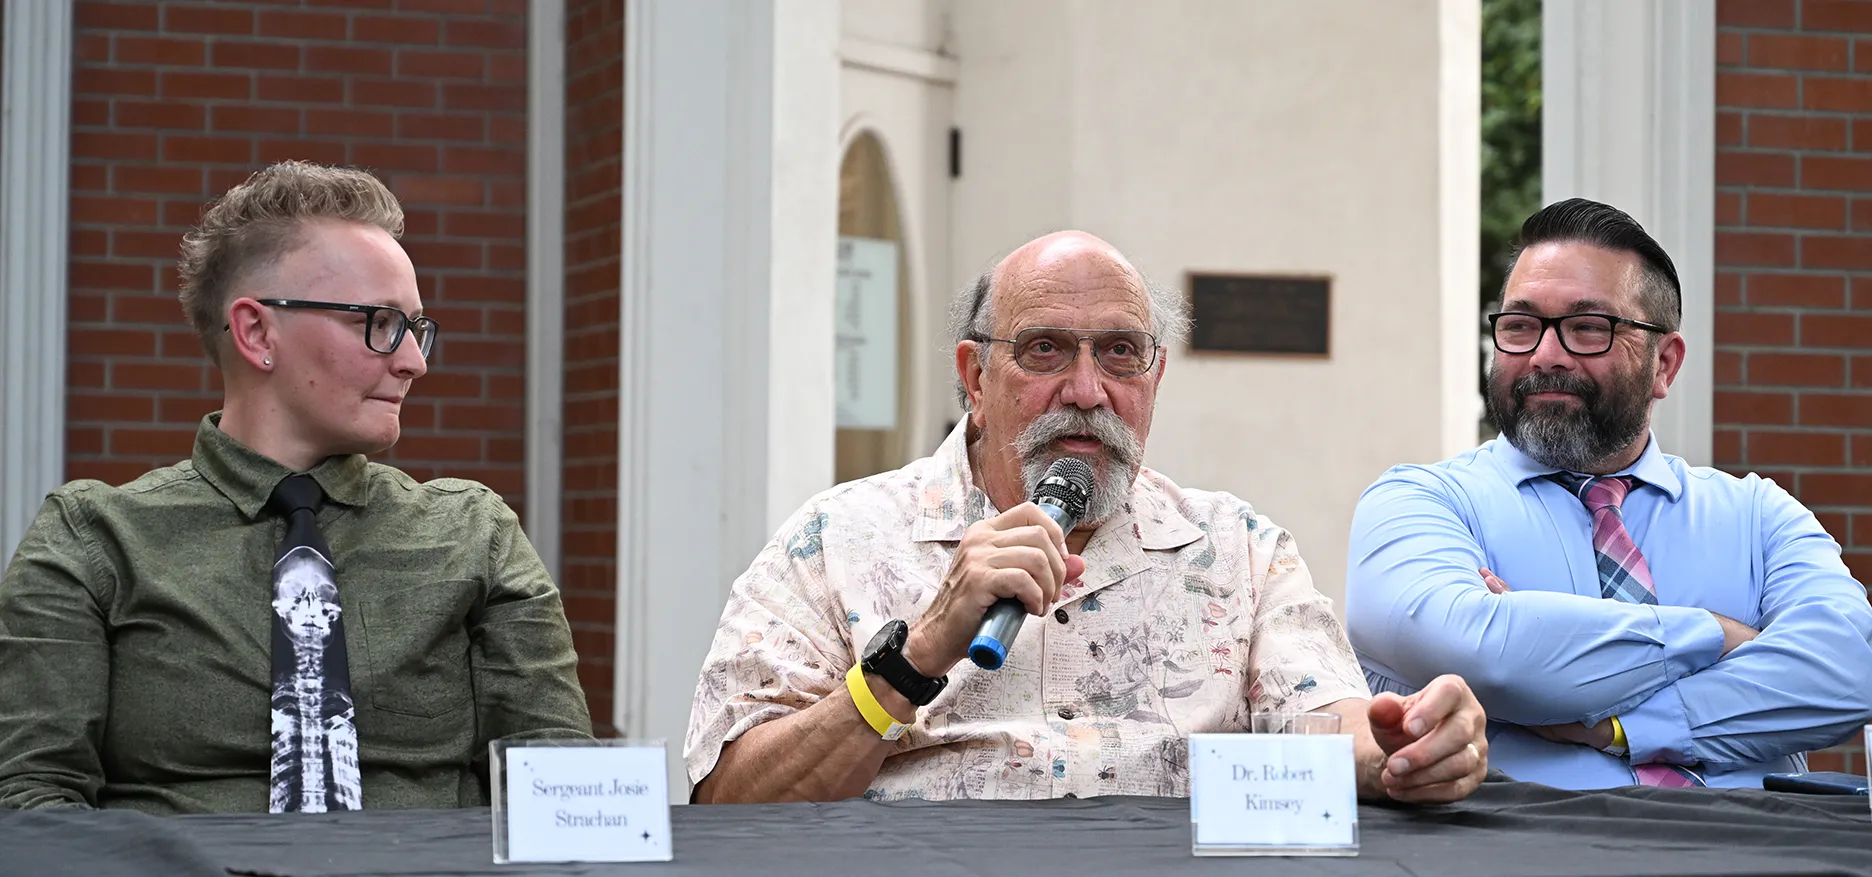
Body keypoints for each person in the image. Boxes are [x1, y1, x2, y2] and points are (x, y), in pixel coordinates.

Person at [684, 231, 1489, 804]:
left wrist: (1400, 746)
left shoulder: (1238, 549)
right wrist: (920, 651)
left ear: (1155, 375)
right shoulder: (835, 540)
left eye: (1118, 352)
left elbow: (1324, 716)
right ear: (974, 374)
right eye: (1043, 350)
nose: (1086, 388)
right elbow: (729, 798)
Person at [0, 161, 593, 814]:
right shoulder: (95, 540)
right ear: (257, 331)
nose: (413, 361)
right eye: (379, 322)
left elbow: (562, 799)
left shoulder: (473, 533)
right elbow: (30, 803)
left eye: (415, 327)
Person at [1346, 198, 1872, 790]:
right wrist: (1718, 636)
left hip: (1760, 850)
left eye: (1587, 328)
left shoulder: (1758, 516)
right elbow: (1484, 654)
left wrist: (1617, 724)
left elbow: (1850, 668)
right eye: (1519, 326)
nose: (1545, 355)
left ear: (1664, 364)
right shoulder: (1421, 502)